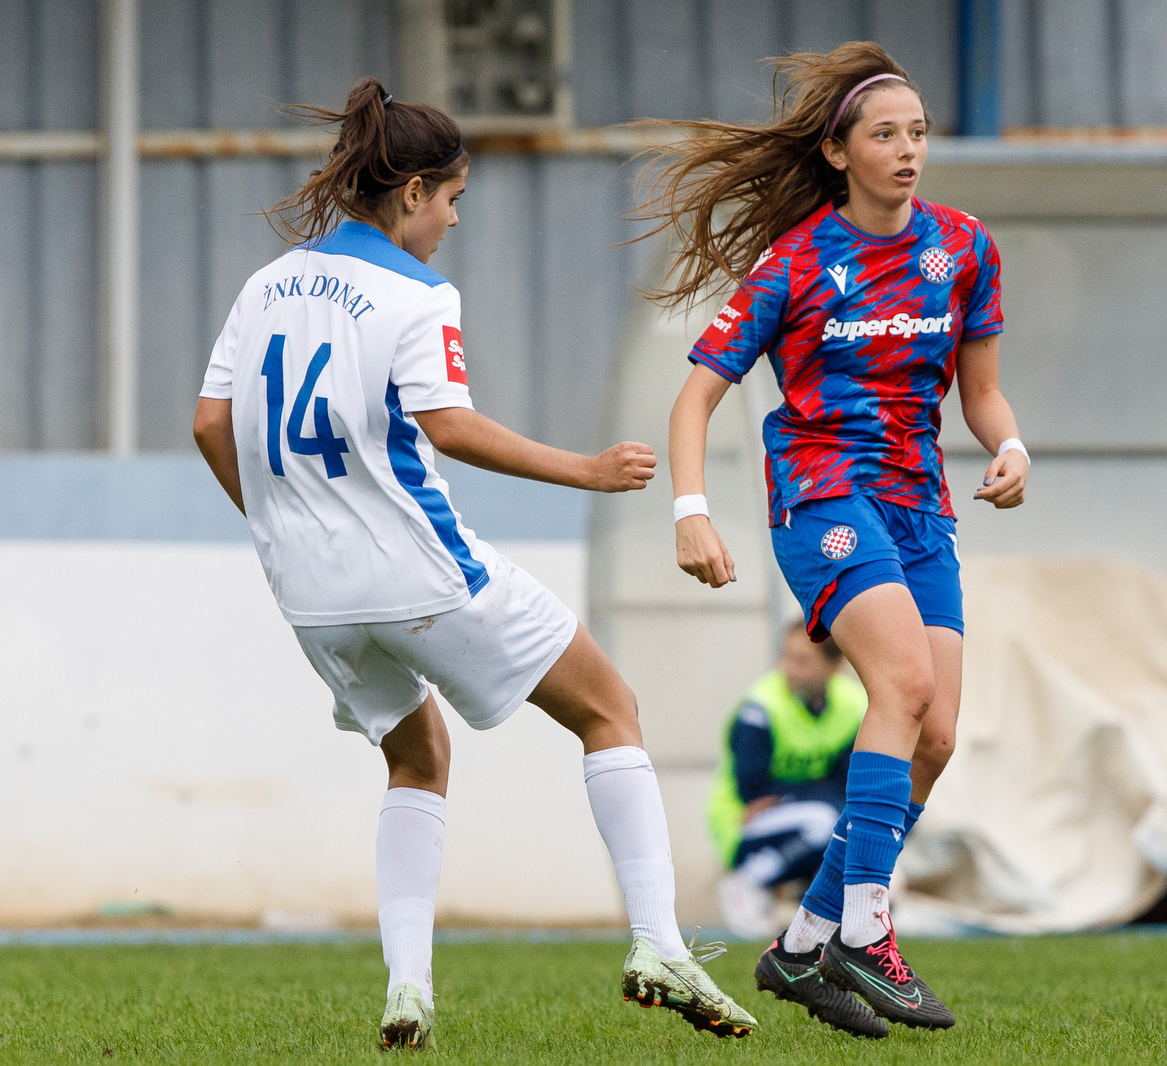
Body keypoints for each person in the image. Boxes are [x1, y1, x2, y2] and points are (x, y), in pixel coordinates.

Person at [191, 77, 756, 1049]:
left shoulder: (266, 285)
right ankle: (659, 941)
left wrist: (280, 526)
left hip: (311, 594)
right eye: (452, 197)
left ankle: (407, 986)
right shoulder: (416, 291)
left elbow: (210, 424)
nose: (453, 218)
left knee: (416, 757)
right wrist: (582, 468)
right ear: (411, 191)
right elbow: (444, 425)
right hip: (421, 570)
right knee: (609, 707)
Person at [644, 42, 1028, 1034]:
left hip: (918, 506)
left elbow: (979, 393)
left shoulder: (965, 246)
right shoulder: (797, 262)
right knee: (898, 689)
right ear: (836, 151)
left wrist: (1011, 445)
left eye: (918, 133)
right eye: (885, 134)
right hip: (823, 499)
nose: (908, 151)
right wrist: (691, 510)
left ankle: (802, 946)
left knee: (934, 735)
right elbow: (695, 400)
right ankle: (867, 928)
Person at [707, 623, 865, 941]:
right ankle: (748, 880)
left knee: (859, 820)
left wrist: (795, 793)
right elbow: (751, 789)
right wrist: (818, 789)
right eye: (785, 656)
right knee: (827, 819)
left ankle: (818, 908)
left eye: (801, 661)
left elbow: (847, 784)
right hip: (743, 822)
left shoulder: (854, 704)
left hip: (803, 812)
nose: (787, 668)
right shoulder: (761, 706)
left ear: (834, 665)